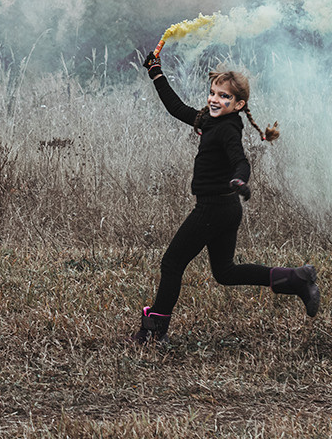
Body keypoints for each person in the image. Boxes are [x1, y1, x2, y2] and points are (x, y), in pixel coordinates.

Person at [132, 52, 319, 346]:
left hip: (214, 208)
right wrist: (156, 73)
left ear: (239, 104)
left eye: (224, 96)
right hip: (226, 208)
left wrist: (240, 179)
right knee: (225, 272)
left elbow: (240, 160)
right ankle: (296, 279)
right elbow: (177, 108)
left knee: (171, 263)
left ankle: (155, 332)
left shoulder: (228, 129)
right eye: (213, 93)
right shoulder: (209, 120)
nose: (214, 99)